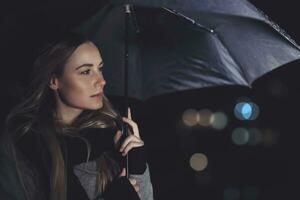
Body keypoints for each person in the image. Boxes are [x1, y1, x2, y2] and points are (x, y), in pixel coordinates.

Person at [0, 32, 153, 200]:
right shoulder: (25, 144)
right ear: (54, 81)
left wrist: (137, 166)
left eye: (100, 69)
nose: (101, 81)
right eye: (86, 72)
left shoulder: (112, 134)